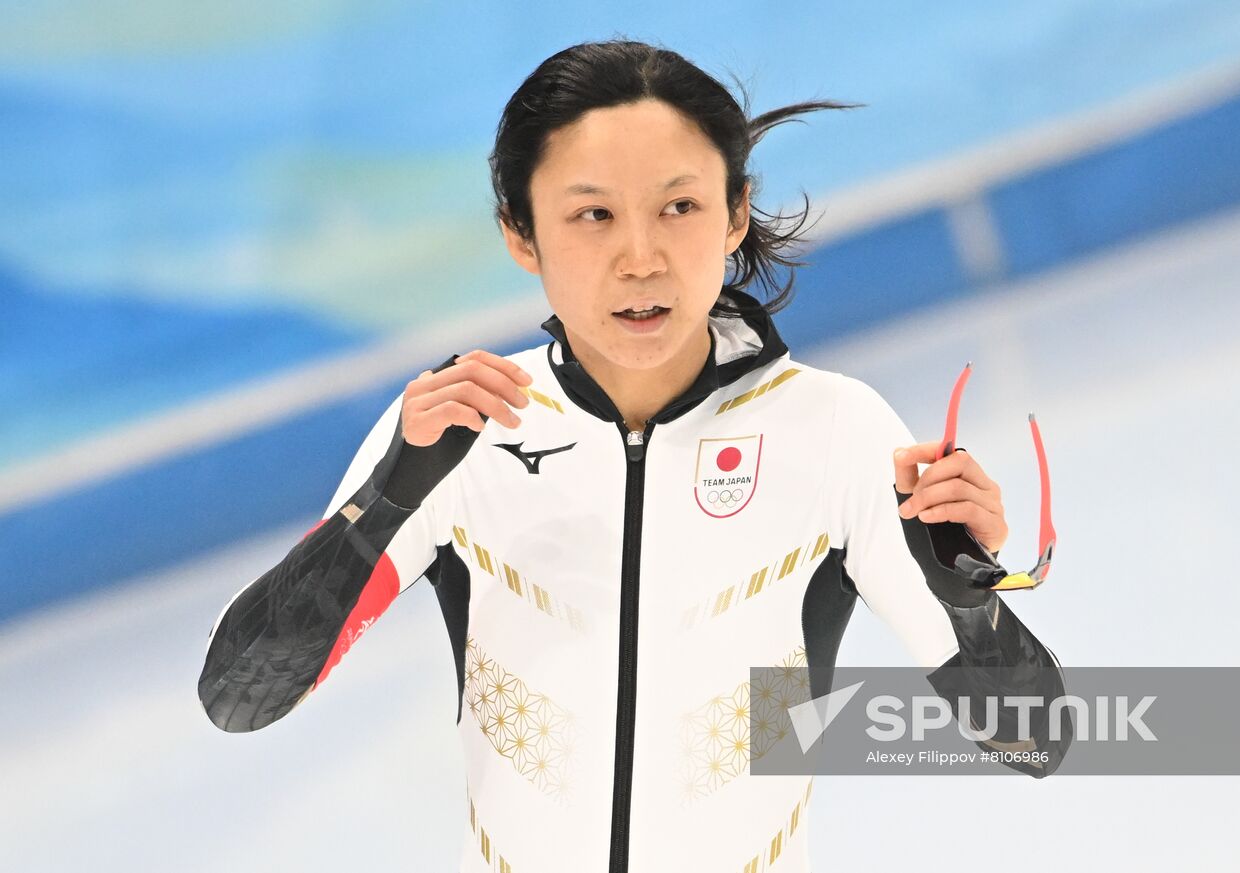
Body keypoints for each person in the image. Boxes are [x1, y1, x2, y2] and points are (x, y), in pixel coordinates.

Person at [198, 38, 1070, 873]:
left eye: (679, 206)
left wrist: (972, 610)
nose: (641, 257)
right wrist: (389, 496)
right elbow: (239, 697)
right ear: (521, 234)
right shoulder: (460, 431)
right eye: (593, 216)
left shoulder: (835, 431)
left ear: (734, 213)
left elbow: (1039, 739)